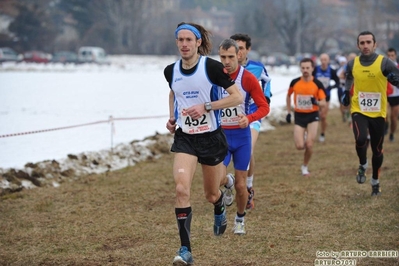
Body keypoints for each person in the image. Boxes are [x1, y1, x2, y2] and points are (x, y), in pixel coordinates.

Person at [164, 22, 243, 265]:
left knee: (210, 194)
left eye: (189, 40)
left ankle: (219, 204)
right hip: (186, 138)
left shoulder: (211, 67)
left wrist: (206, 106)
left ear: (198, 42)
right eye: (180, 40)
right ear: (176, 42)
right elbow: (173, 92)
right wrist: (172, 117)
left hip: (210, 137)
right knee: (180, 189)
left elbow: (236, 97)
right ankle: (185, 250)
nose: (184, 44)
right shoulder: (170, 70)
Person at [218, 38, 269, 235]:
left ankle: (239, 218)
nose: (227, 61)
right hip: (221, 137)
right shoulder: (215, 77)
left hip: (241, 138)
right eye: (223, 57)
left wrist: (249, 118)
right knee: (218, 181)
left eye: (231, 57)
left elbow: (264, 107)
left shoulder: (247, 78)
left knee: (242, 186)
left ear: (238, 55)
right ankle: (228, 182)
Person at [341, 31, 399, 196]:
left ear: (375, 44)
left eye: (368, 42)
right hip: (359, 108)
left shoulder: (385, 62)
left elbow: (397, 78)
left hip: (378, 112)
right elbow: (349, 76)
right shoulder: (353, 63)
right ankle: (363, 164)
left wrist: (396, 81)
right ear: (358, 45)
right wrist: (346, 92)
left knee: (377, 149)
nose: (365, 46)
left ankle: (375, 182)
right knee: (360, 139)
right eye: (362, 43)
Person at [226, 33, 272, 210]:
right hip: (229, 117)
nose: (237, 52)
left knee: (249, 148)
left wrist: (266, 98)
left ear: (248, 50)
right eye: (234, 48)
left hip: (252, 115)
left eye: (241, 49)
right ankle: (229, 181)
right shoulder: (224, 68)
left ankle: (248, 187)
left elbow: (267, 82)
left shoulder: (257, 67)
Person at [286, 58, 326, 176]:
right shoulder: (294, 82)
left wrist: (316, 102)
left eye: (308, 68)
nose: (305, 70)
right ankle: (303, 135)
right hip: (299, 115)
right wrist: (288, 112)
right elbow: (288, 96)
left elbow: (323, 102)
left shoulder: (317, 83)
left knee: (309, 144)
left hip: (313, 115)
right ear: (300, 68)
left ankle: (305, 166)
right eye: (303, 68)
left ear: (312, 68)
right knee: (299, 146)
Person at [312, 53, 340, 142]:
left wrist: (331, 87)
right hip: (315, 95)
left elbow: (337, 82)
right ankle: (310, 132)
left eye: (325, 60)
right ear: (320, 60)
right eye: (322, 60)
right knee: (313, 116)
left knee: (323, 116)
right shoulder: (316, 69)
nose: (323, 62)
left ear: (328, 60)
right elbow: (309, 79)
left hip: (326, 96)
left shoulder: (331, 71)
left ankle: (322, 133)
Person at [386, 47, 399, 142]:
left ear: (395, 56)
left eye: (392, 55)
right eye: (389, 55)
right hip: (384, 94)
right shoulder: (382, 67)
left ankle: (391, 133)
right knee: (384, 115)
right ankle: (385, 127)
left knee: (393, 118)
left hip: (395, 95)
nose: (390, 57)